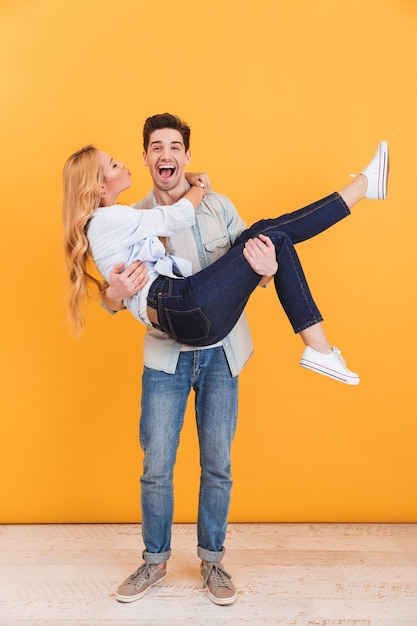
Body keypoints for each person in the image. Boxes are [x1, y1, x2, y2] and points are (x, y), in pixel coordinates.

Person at [62, 113, 388, 606]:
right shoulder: (131, 213)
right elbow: (121, 288)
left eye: (175, 146)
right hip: (170, 347)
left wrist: (267, 271)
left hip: (218, 345)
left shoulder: (217, 208)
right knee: (157, 467)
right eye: (153, 147)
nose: (163, 155)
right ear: (149, 157)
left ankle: (212, 561)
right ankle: (154, 562)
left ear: (185, 156)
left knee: (218, 464)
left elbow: (247, 277)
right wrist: (112, 295)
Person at [63, 141, 389, 385]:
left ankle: (362, 187)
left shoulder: (122, 218)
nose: (122, 164)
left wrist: (186, 180)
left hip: (188, 316)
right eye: (114, 165)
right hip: (180, 306)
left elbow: (163, 207)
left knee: (267, 233)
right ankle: (361, 187)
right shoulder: (109, 220)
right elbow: (178, 216)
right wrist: (200, 187)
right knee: (271, 236)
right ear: (100, 186)